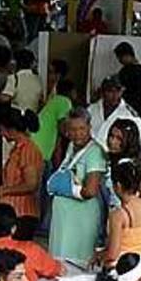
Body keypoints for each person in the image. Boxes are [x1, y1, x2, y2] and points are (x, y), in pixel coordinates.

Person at [48, 108, 108, 264]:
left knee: (77, 264)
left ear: (89, 127)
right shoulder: (72, 146)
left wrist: (68, 189)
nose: (77, 134)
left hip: (81, 218)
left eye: (81, 129)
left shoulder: (95, 152)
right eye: (73, 130)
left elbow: (90, 191)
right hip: (65, 219)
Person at [0, 107, 44, 219]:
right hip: (10, 209)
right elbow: (15, 173)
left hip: (22, 213)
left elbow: (31, 185)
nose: (1, 134)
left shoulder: (28, 150)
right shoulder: (17, 148)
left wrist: (1, 190)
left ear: (12, 130)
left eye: (2, 130)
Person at [103, 160, 141, 265]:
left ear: (117, 186)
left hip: (122, 268)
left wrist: (99, 256)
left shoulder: (118, 215)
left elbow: (112, 255)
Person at [89, 76, 141, 154]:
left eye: (118, 91)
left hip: (115, 157)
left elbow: (139, 142)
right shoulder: (91, 110)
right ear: (102, 92)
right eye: (110, 91)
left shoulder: (129, 114)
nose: (114, 95)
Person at [33, 77, 74, 164]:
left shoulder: (53, 100)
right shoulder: (65, 101)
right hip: (43, 145)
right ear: (71, 91)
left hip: (36, 141)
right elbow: (62, 128)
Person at [0, 50, 43, 114]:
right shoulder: (38, 79)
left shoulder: (14, 78)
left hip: (17, 118)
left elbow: (6, 98)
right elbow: (40, 100)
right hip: (32, 118)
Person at [114, 42, 141, 115]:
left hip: (125, 107)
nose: (119, 60)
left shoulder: (124, 72)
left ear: (127, 55)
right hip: (138, 106)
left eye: (120, 57)